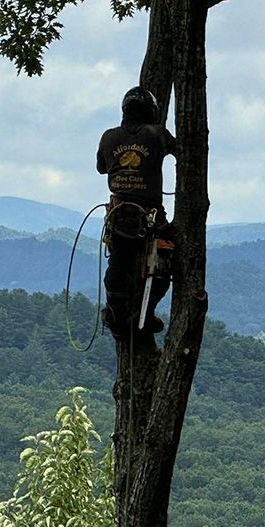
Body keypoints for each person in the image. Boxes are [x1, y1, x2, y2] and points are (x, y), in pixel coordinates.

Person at [96, 86, 176, 338]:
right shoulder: (157, 134)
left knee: (118, 266)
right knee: (162, 267)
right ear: (151, 111)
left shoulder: (109, 137)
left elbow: (101, 167)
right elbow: (180, 151)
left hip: (118, 215)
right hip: (149, 216)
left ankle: (116, 314)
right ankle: (145, 312)